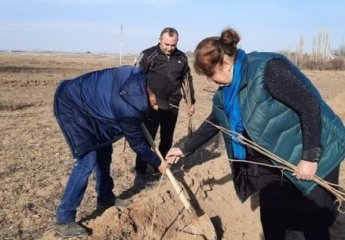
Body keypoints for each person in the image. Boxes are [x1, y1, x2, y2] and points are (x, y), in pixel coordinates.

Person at [166, 28, 345, 240]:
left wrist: (310, 156)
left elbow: (309, 106)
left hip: (314, 153)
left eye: (210, 74)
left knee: (313, 221)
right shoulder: (226, 94)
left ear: (225, 63)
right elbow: (215, 122)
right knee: (273, 219)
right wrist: (184, 148)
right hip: (273, 164)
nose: (209, 80)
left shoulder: (267, 69)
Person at [53, 66, 169, 238]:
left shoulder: (138, 77)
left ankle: (105, 197)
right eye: (156, 101)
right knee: (87, 160)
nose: (157, 107)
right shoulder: (127, 107)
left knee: (105, 149)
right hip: (71, 104)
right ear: (148, 91)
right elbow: (137, 144)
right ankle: (64, 219)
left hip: (91, 105)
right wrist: (158, 163)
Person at [134, 27, 196, 181]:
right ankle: (141, 170)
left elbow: (187, 80)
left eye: (173, 45)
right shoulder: (148, 55)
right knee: (148, 138)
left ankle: (159, 168)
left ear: (177, 42)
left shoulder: (182, 57)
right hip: (151, 106)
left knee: (167, 138)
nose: (169, 48)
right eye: (166, 44)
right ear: (159, 39)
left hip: (172, 105)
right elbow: (136, 78)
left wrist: (190, 101)